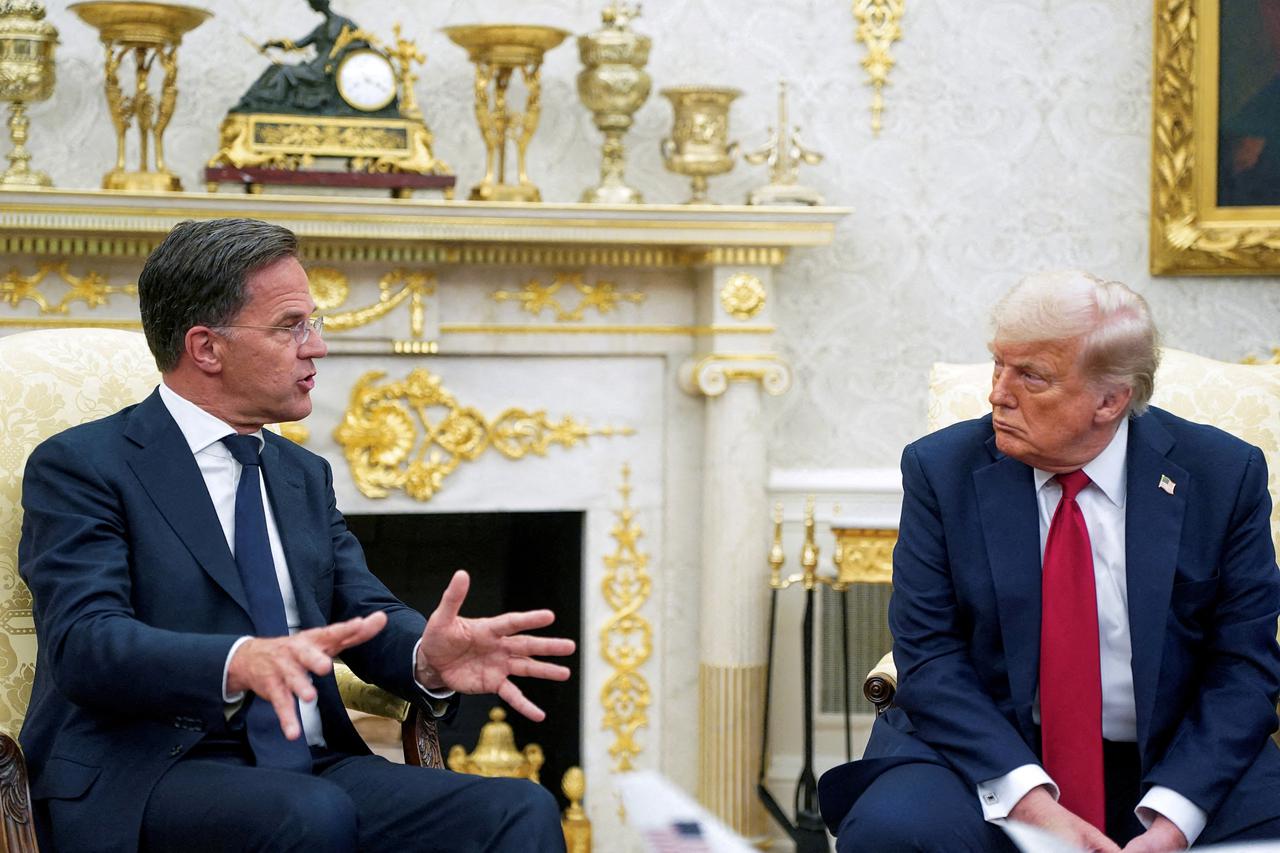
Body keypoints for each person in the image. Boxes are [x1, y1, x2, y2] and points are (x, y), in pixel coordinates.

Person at [18, 217, 574, 852]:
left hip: (307, 764)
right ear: (206, 348)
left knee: (517, 809)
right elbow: (85, 644)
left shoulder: (300, 474)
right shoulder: (85, 465)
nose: (317, 347)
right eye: (291, 327)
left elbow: (364, 613)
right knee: (308, 814)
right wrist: (237, 662)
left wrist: (427, 657)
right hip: (151, 771)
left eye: (314, 323)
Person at [818, 271, 1280, 852]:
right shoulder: (942, 470)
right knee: (895, 832)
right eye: (997, 365)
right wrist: (1033, 803)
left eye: (1030, 376)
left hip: (1176, 753)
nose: (997, 394)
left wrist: (1174, 820)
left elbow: (1243, 668)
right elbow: (930, 655)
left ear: (1110, 400)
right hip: (981, 753)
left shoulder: (1221, 476)